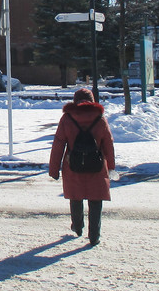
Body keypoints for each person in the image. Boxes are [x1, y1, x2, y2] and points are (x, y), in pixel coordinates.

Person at [48, 88, 116, 245]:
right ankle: (94, 236)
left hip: (73, 165)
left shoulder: (67, 118)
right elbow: (108, 144)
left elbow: (58, 144)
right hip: (97, 165)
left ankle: (77, 227)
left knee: (75, 196)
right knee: (96, 200)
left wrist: (54, 169)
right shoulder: (100, 118)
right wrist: (111, 167)